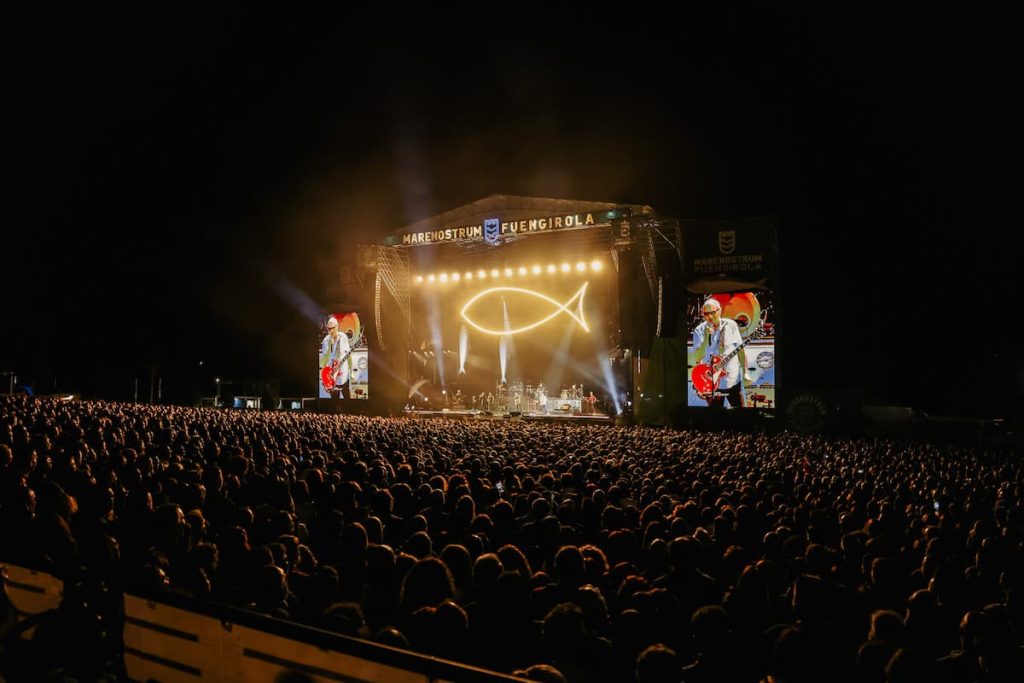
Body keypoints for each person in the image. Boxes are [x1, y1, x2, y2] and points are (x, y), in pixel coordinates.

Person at [690, 298, 750, 408]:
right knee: (715, 417)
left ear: (720, 310)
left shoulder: (730, 325)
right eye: (706, 314)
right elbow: (698, 358)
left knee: (741, 413)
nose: (710, 317)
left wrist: (746, 372)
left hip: (733, 380)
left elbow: (740, 349)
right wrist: (706, 336)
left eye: (713, 312)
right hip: (712, 383)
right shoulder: (699, 330)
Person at [319, 316, 352, 398]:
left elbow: (348, 354)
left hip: (343, 374)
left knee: (347, 398)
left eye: (333, 328)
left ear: (337, 327)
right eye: (329, 329)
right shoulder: (326, 341)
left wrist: (351, 372)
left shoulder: (343, 337)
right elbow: (323, 361)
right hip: (332, 375)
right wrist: (324, 377)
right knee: (335, 401)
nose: (331, 331)